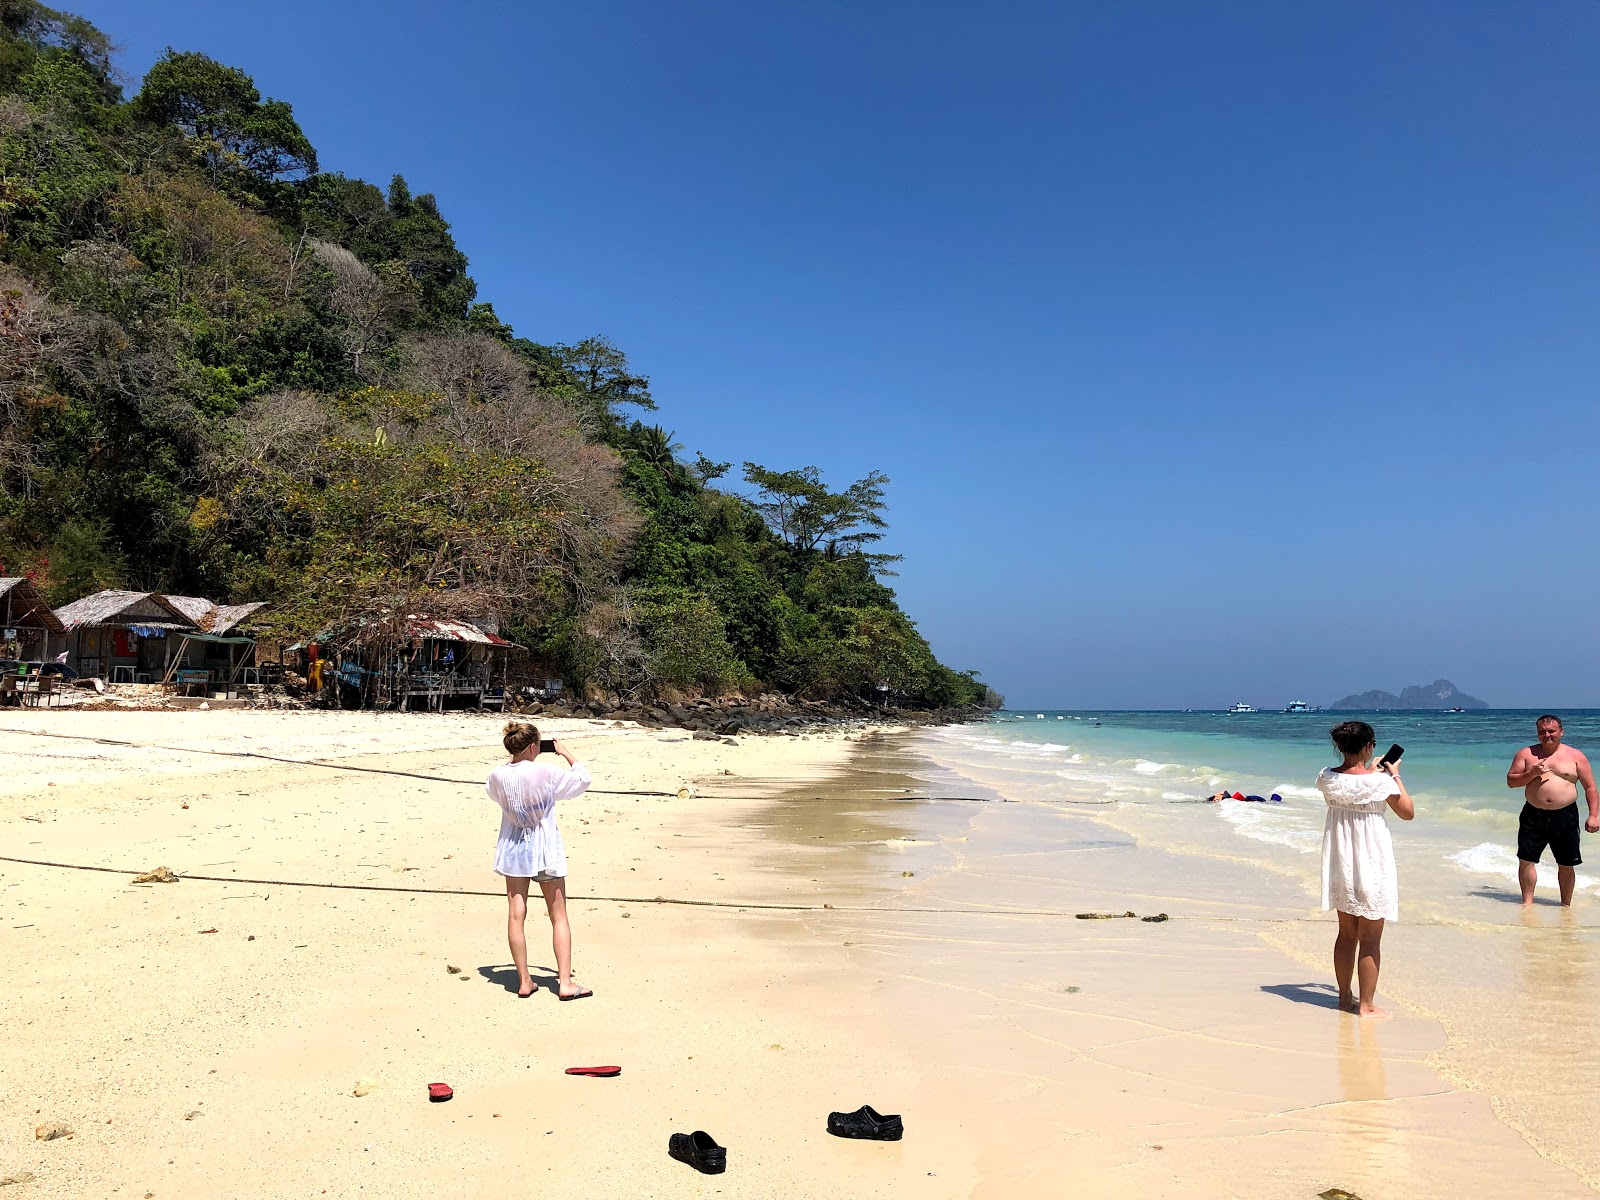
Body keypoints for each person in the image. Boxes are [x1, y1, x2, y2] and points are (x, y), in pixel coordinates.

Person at [486, 721, 593, 1000]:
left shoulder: (497, 775)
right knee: (558, 916)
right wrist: (567, 753)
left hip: (513, 849)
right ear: (534, 746)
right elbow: (581, 780)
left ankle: (524, 980)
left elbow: (494, 794)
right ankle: (565, 983)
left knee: (515, 915)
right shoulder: (544, 771)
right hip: (543, 849)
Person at [1316, 720, 1414, 1017]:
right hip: (1371, 861)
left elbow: (1352, 784)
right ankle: (1367, 1006)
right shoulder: (1380, 783)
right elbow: (1407, 812)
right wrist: (1395, 776)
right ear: (1369, 746)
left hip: (1340, 860)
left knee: (1346, 933)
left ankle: (1345, 999)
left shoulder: (1326, 777)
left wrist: (1371, 771)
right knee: (1370, 937)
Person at [1505, 714, 1599, 907]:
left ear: (1561, 732)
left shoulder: (1575, 756)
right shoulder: (1526, 754)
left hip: (1565, 814)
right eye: (1542, 732)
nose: (1546, 735)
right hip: (1533, 813)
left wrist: (1594, 815)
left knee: (1566, 863)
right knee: (1526, 860)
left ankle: (1566, 906)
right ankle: (1527, 905)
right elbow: (1511, 782)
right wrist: (1532, 773)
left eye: (1551, 731)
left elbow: (1590, 787)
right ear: (1537, 734)